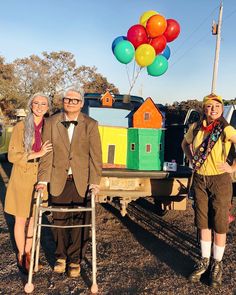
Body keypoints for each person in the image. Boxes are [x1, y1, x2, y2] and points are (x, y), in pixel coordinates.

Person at [37, 88, 102, 278]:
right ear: (63, 101)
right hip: (59, 179)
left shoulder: (91, 124)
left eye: (75, 100)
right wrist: (42, 179)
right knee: (59, 220)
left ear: (81, 104)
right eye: (68, 99)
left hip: (82, 181)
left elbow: (96, 156)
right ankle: (61, 257)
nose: (71, 102)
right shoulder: (51, 122)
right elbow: (46, 154)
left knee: (81, 222)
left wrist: (95, 181)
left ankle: (75, 260)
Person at [181, 93, 236, 288]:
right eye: (209, 106)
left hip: (220, 181)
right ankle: (204, 261)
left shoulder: (225, 129)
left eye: (216, 106)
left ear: (221, 109)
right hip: (199, 180)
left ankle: (217, 265)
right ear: (204, 108)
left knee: (220, 224)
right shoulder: (196, 128)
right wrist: (190, 159)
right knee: (202, 223)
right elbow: (184, 144)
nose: (213, 109)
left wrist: (232, 167)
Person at [4, 93, 52, 273]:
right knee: (20, 217)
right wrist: (36, 154)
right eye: (36, 103)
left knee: (34, 218)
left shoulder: (50, 127)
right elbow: (11, 156)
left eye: (44, 104)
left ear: (48, 107)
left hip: (40, 175)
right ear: (31, 105)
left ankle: (28, 253)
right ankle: (21, 256)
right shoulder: (20, 127)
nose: (39, 106)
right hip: (22, 175)